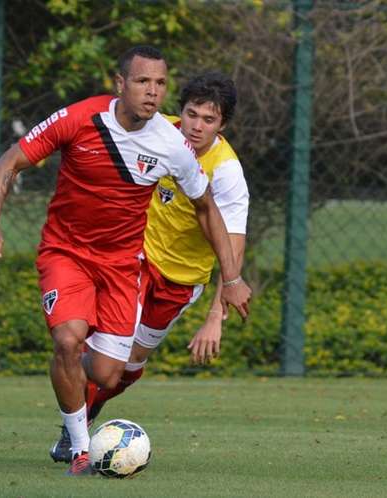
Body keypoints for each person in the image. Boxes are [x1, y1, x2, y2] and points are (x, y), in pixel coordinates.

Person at [0, 46, 251, 476]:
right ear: (120, 84)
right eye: (143, 82)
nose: (153, 92)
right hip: (71, 252)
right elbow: (11, 161)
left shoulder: (175, 147)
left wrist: (229, 283)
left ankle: (75, 381)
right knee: (68, 338)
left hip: (128, 266)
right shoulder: (80, 118)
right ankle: (80, 446)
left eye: (160, 84)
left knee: (108, 372)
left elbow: (206, 208)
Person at [50, 71, 249, 464]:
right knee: (111, 361)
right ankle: (74, 412)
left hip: (182, 280)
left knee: (131, 368)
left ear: (222, 125)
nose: (196, 126)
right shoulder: (159, 133)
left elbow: (233, 242)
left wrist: (215, 317)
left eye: (209, 120)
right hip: (135, 259)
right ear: (182, 111)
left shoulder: (226, 172)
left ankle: (85, 402)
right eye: (192, 114)